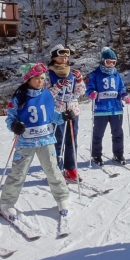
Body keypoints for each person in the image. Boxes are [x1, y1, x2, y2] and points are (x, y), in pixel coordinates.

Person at [0, 63, 74, 227]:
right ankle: (6, 203)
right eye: (37, 79)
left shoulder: (47, 95)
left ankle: (62, 198)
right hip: (26, 141)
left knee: (53, 170)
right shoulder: (19, 98)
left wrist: (64, 117)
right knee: (18, 173)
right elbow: (10, 117)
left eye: (42, 78)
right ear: (28, 79)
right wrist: (13, 125)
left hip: (46, 140)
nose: (40, 82)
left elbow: (52, 116)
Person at [45, 44, 86, 181]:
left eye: (66, 56)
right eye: (61, 56)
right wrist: (57, 86)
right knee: (57, 142)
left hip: (72, 111)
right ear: (54, 57)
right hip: (57, 112)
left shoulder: (72, 73)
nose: (64, 58)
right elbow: (45, 95)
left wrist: (80, 80)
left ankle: (71, 168)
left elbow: (80, 93)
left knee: (71, 141)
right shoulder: (48, 74)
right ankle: (56, 170)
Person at [85, 47, 130, 165]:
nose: (110, 65)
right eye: (108, 62)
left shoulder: (117, 75)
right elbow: (89, 88)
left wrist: (124, 95)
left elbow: (121, 88)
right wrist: (92, 93)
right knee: (98, 134)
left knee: (118, 133)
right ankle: (96, 155)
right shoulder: (95, 74)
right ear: (103, 61)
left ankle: (118, 154)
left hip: (116, 109)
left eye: (113, 62)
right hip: (101, 109)